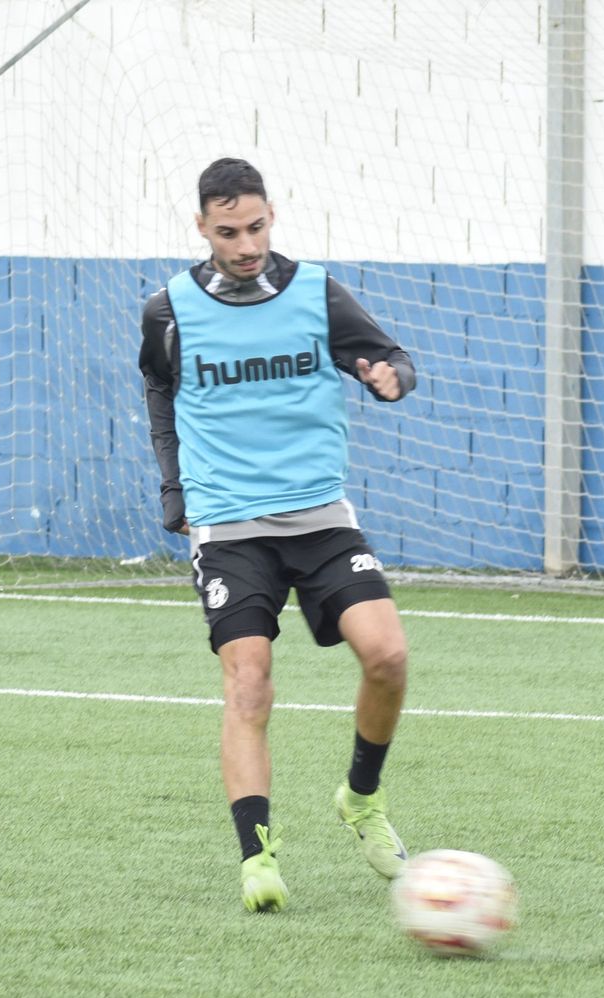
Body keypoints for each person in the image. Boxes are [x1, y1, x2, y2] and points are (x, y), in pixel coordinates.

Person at [139, 158, 418, 912]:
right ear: (202, 227)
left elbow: (390, 355)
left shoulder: (316, 292)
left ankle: (360, 799)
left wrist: (392, 376)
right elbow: (161, 393)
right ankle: (257, 857)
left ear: (272, 216)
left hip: (320, 515)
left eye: (256, 226)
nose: (246, 243)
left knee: (388, 655)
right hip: (229, 525)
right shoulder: (167, 311)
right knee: (250, 678)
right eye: (228, 231)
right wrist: (177, 490)